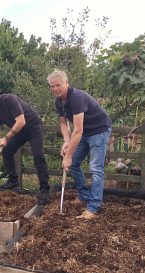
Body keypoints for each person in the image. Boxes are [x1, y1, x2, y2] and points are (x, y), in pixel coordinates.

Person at [47, 70, 112, 219]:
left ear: (66, 83)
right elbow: (64, 124)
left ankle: (94, 206)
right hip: (85, 133)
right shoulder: (58, 102)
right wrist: (67, 141)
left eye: (58, 85)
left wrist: (68, 155)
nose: (55, 88)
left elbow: (78, 130)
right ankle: (84, 196)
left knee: (95, 169)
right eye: (52, 86)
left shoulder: (76, 97)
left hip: (99, 130)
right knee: (74, 164)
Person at [0, 88, 50, 205]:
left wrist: (6, 138)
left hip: (33, 125)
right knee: (6, 150)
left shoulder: (9, 99)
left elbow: (21, 121)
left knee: (38, 155)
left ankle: (45, 189)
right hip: (20, 131)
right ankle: (13, 182)